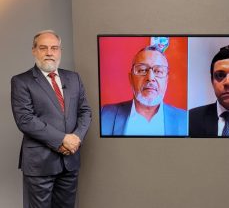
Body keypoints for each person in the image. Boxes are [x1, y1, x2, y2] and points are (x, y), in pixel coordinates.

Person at [11, 30, 92, 207]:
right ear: (34, 50)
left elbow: (85, 112)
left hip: (70, 161)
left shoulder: (73, 78)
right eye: (43, 48)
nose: (49, 53)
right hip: (39, 163)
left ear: (60, 51)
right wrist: (63, 139)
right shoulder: (21, 81)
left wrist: (76, 139)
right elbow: (25, 119)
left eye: (54, 48)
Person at [101, 45, 187, 136]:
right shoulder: (104, 115)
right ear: (131, 79)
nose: (150, 78)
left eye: (158, 71)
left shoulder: (185, 120)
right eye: (142, 70)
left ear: (166, 81)